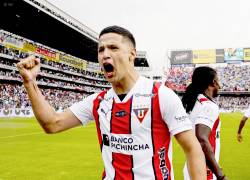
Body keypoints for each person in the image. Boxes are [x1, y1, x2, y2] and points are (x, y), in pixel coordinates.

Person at [17, 25, 206, 180]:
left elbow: (193, 149)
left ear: (132, 54)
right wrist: (30, 82)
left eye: (113, 48)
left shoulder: (161, 95)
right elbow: (52, 123)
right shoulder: (98, 101)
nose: (105, 54)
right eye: (101, 50)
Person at [182, 66, 227, 180]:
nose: (219, 85)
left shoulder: (192, 102)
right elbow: (202, 139)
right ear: (213, 82)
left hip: (192, 165)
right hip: (204, 170)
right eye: (218, 80)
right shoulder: (208, 106)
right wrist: (220, 175)